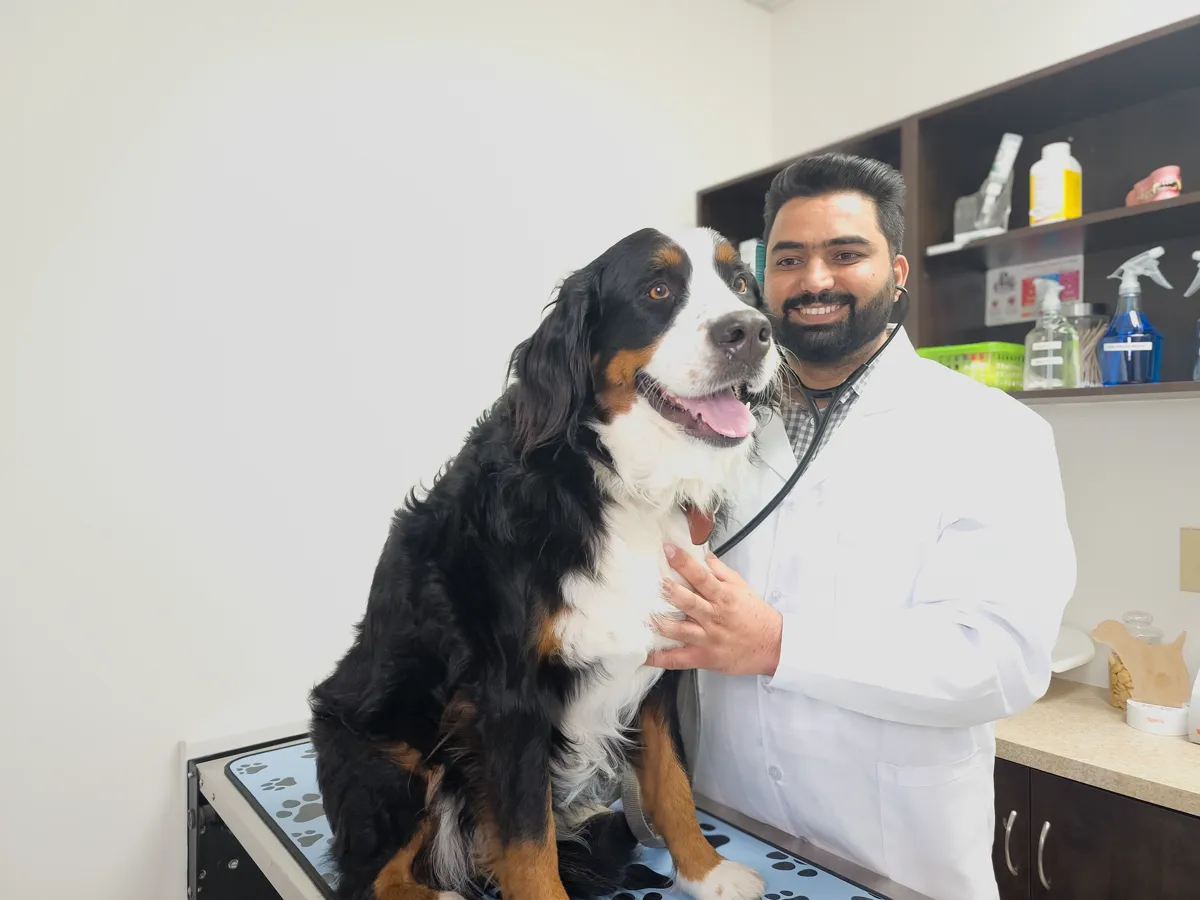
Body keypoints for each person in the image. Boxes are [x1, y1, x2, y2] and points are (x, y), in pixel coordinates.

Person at [647, 153, 1076, 900]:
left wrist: (781, 644)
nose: (815, 280)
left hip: (898, 865)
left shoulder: (993, 433)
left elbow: (1001, 659)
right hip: (730, 842)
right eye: (789, 260)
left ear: (898, 270)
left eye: (846, 254)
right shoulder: (713, 427)